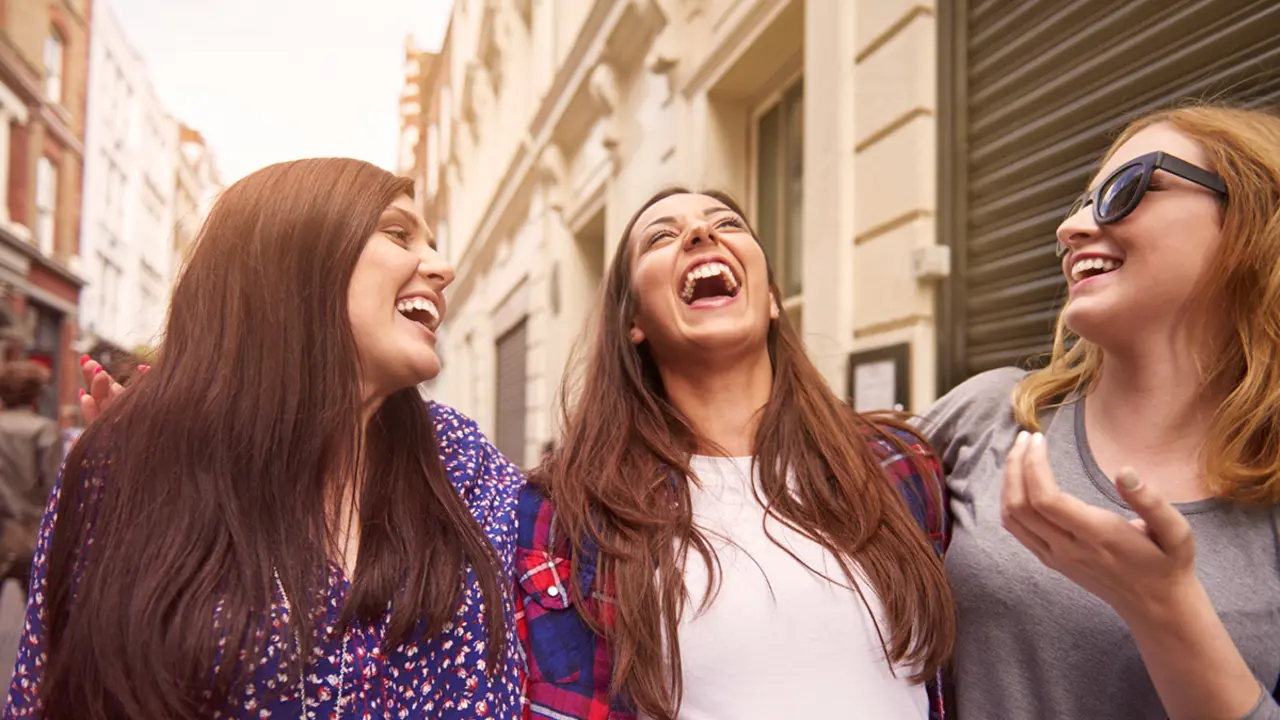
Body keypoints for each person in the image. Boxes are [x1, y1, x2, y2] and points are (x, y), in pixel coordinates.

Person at [3, 158, 525, 720]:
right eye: (398, 234)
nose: (443, 268)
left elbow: (603, 541)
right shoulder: (123, 468)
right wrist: (156, 460)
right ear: (294, 262)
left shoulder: (462, 463)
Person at [516, 188, 955, 719]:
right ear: (633, 322)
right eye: (661, 236)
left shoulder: (899, 467)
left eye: (726, 223)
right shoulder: (569, 515)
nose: (701, 234)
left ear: (771, 297)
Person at [922, 104, 1280, 719]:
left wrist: (1162, 606)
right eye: (1079, 205)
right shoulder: (990, 413)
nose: (1073, 229)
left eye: (1125, 190)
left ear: (1253, 220)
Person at [0, 361, 60, 592]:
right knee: (36, 613)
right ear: (36, 395)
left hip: (3, 529)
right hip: (33, 534)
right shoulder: (43, 430)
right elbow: (54, 487)